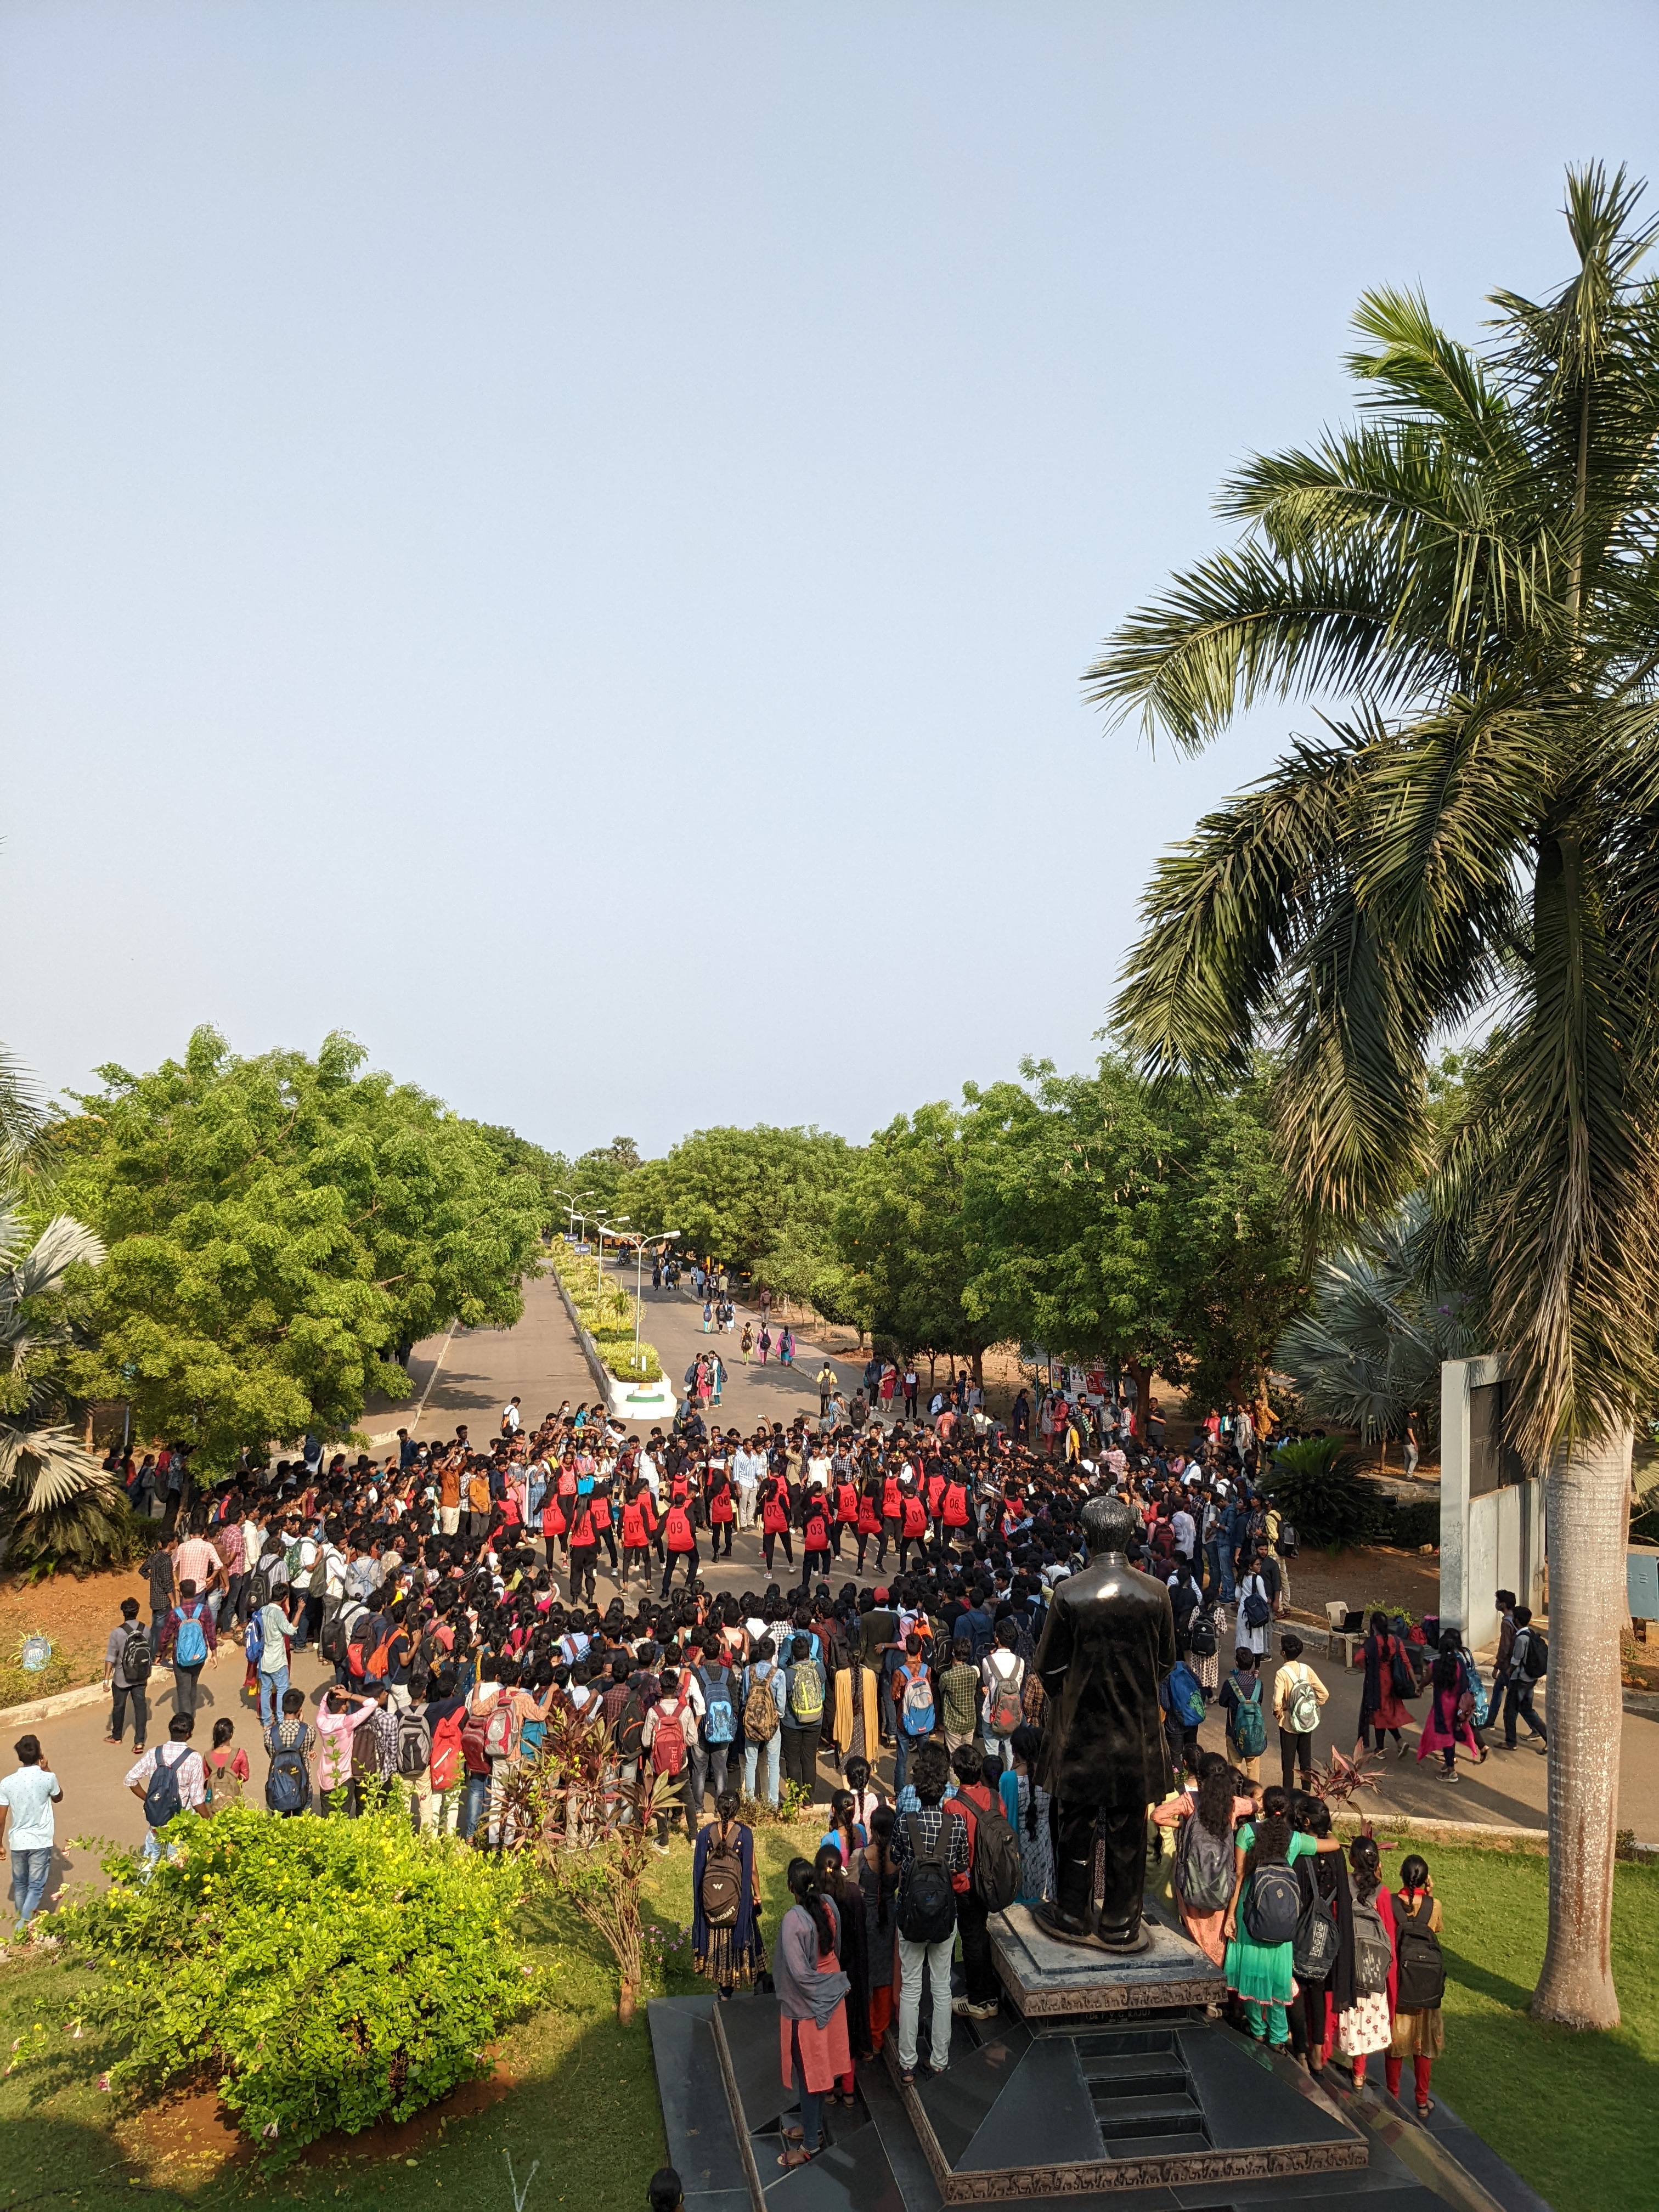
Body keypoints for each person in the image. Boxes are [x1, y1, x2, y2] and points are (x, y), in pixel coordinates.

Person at [1030, 1493, 1175, 1950]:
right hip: (1136, 1735)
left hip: (1080, 1735)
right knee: (1129, 1830)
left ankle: (1073, 1913)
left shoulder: (1070, 1593)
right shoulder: (1156, 1593)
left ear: (1087, 1536)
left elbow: (1048, 1668)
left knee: (1074, 1827)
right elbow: (1167, 1662)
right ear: (1129, 1535)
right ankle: (1119, 1922)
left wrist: (1077, 1700)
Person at [1220, 1784, 1341, 2047]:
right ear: (1286, 1810)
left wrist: (1231, 1917)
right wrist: (1326, 1826)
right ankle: (1277, 2036)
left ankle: (1257, 2029)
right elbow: (1333, 1844)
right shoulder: (1295, 1840)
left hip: (1249, 1913)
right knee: (1277, 1980)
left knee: (1250, 1973)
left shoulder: (1248, 1833)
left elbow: (1239, 1876)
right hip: (1282, 1917)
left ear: (1263, 1807)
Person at [892, 1740, 967, 2083]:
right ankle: (939, 2059)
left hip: (909, 1915)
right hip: (944, 1917)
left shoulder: (905, 1823)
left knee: (911, 1988)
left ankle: (907, 2061)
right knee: (941, 1988)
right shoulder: (956, 1826)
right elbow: (961, 1864)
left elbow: (895, 1859)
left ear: (918, 1790)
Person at [773, 1858, 852, 2168]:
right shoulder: (829, 1904)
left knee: (810, 2077)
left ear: (790, 1887)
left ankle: (810, 2146)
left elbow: (800, 1975)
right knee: (820, 2072)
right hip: (832, 1999)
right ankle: (813, 2127)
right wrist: (835, 1985)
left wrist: (824, 1991)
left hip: (808, 2007)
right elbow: (836, 1948)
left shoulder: (794, 1921)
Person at [1153, 1752, 1254, 1965]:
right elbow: (1256, 1805)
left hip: (1191, 1880)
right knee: (1216, 1934)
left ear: (1200, 1779)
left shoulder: (1191, 1801)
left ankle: (1195, 1973)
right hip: (1221, 1881)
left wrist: (1183, 1825)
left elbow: (1158, 1816)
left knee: (1193, 1934)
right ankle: (1215, 1975)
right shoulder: (1234, 1804)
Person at [1336, 1835, 1397, 2087]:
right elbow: (1389, 1935)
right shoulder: (1383, 1893)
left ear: (1352, 1860)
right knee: (1365, 2022)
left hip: (1347, 1963)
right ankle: (1359, 2074)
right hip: (1372, 1967)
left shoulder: (1344, 1884)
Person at [691, 1790, 765, 1996]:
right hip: (738, 1903)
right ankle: (759, 1981)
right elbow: (751, 1870)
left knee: (719, 1940)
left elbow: (698, 1871)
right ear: (737, 1810)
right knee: (750, 1934)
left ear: (716, 1808)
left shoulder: (705, 1833)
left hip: (713, 1904)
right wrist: (757, 1895)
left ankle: (725, 1990)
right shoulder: (744, 1834)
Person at [1386, 1853, 1444, 2115]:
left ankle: (1392, 2097)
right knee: (1424, 2045)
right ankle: (1422, 2101)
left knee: (1396, 2044)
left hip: (1400, 1982)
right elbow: (1437, 1929)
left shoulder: (1389, 1903)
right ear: (1426, 1878)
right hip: (1426, 1986)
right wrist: (1429, 1894)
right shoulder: (1435, 1905)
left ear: (1401, 1874)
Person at [126, 1713, 208, 1865]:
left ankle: (142, 1888)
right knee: (177, 1862)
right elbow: (197, 1798)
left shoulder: (154, 1753)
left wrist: (149, 1799)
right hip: (181, 1819)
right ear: (189, 1734)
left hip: (158, 1816)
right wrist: (209, 1819)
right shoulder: (194, 1758)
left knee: (150, 1860)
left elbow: (130, 1779)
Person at [0, 1735, 61, 1931]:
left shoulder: (7, 1783)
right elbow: (58, 1797)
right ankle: (22, 1927)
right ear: (40, 1754)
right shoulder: (47, 1778)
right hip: (40, 1841)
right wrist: (46, 1768)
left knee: (21, 1886)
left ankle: (23, 1926)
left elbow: (1, 1818)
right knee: (35, 1887)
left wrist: (0, 1844)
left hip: (17, 1842)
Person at [856, 1805, 901, 2057]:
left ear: (871, 1828)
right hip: (890, 1918)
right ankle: (879, 2034)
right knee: (887, 1973)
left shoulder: (861, 1856)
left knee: (867, 1973)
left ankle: (866, 2032)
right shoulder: (899, 1858)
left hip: (867, 1918)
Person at [1415, 1650, 1483, 1781]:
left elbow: (1426, 1680)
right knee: (1451, 1735)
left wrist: (1420, 1687)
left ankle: (1451, 1771)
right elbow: (1464, 1685)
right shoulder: (1459, 1664)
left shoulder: (1435, 1665)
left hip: (1442, 1706)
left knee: (1446, 1737)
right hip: (1456, 1705)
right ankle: (1448, 1763)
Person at [1272, 1634, 1327, 1795]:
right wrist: (1312, 1706)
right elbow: (1324, 1693)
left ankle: (1287, 1795)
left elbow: (1277, 1700)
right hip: (1306, 1721)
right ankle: (1306, 1794)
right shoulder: (1306, 1669)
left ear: (1283, 1653)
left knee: (1288, 1765)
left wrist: (1278, 1712)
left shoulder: (1282, 1673)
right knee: (1305, 1761)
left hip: (1289, 1723)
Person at [158, 1577, 218, 1718]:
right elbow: (211, 1634)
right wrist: (214, 1654)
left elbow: (165, 1637)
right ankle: (191, 1714)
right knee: (193, 1684)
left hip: (181, 1657)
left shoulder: (175, 1614)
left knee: (183, 1690)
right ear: (196, 1592)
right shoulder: (204, 1611)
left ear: (181, 1594)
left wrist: (159, 1654)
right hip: (199, 1656)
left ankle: (186, 1723)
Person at [1355, 1612, 1412, 1758]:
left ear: (1374, 1626)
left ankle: (1381, 1748)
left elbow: (1358, 1658)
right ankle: (1398, 1741)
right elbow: (1406, 1662)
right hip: (1393, 1683)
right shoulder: (1396, 1640)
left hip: (1377, 1683)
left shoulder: (1373, 1643)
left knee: (1379, 1714)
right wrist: (1416, 1683)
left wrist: (1366, 1668)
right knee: (1387, 1714)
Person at [1498, 1605, 1548, 1754]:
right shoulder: (1530, 1633)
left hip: (1519, 1681)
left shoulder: (1521, 1639)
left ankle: (1511, 1742)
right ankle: (1548, 1738)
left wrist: (1508, 1671)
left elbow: (1516, 1659)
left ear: (1517, 1620)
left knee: (1510, 1711)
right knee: (1527, 1709)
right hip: (1529, 1679)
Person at [104, 1596, 151, 1755]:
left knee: (119, 1706)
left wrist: (106, 1678)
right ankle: (139, 1742)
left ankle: (117, 1736)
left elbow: (111, 1657)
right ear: (137, 1611)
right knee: (141, 1706)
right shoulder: (146, 1629)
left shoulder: (117, 1633)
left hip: (122, 1677)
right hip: (140, 1676)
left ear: (123, 1613)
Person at [263, 1688, 314, 1816]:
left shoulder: (269, 1733)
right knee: (303, 1827)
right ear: (300, 1709)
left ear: (282, 1708)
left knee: (281, 1829)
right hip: (303, 1785)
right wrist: (301, 1722)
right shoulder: (310, 1731)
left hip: (279, 1785)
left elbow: (272, 1755)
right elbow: (307, 1750)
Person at [1218, 1647, 1267, 1782]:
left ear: (1237, 1664)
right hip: (1255, 1733)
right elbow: (1259, 1702)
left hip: (1234, 1732)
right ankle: (1253, 1797)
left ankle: (1236, 1796)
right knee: (1253, 1772)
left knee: (1234, 1769)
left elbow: (1222, 1702)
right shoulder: (1259, 1684)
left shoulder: (1230, 1683)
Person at [204, 1716, 250, 1809]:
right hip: (233, 1800)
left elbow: (206, 1779)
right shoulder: (239, 1753)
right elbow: (245, 1776)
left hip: (214, 1803)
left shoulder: (207, 1756)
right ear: (231, 1735)